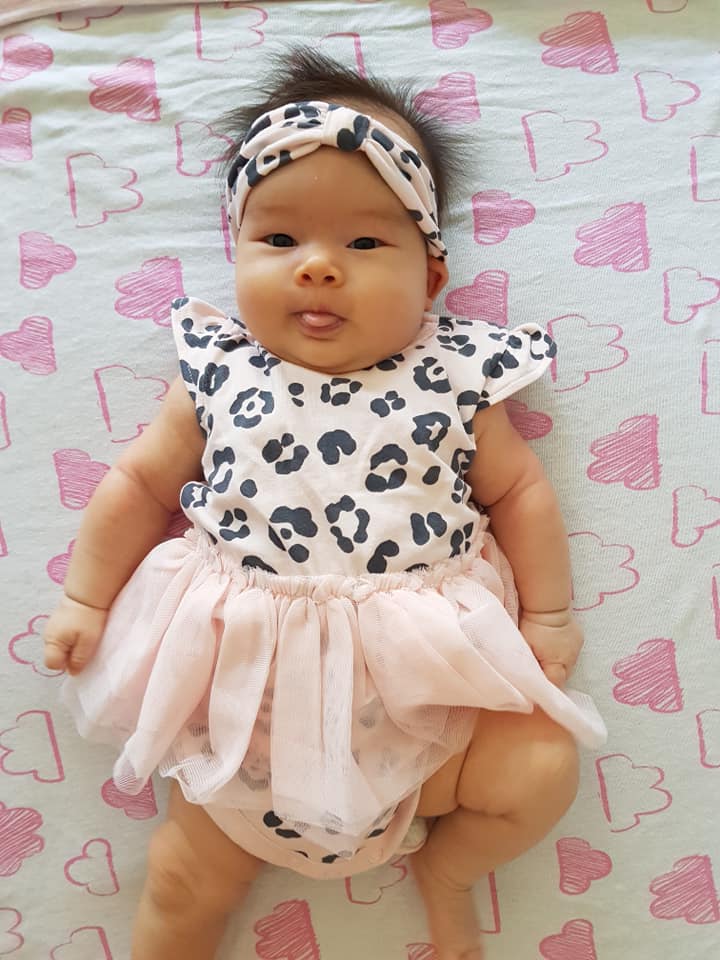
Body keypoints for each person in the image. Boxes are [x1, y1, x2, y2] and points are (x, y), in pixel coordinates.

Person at [43, 47, 605, 960]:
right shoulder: (220, 371)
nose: (317, 268)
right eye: (279, 241)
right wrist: (85, 597)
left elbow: (520, 492)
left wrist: (548, 616)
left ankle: (448, 871)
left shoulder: (453, 375)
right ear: (235, 252)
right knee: (184, 880)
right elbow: (140, 484)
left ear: (431, 277)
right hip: (247, 715)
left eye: (364, 243)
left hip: (428, 714)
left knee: (540, 771)